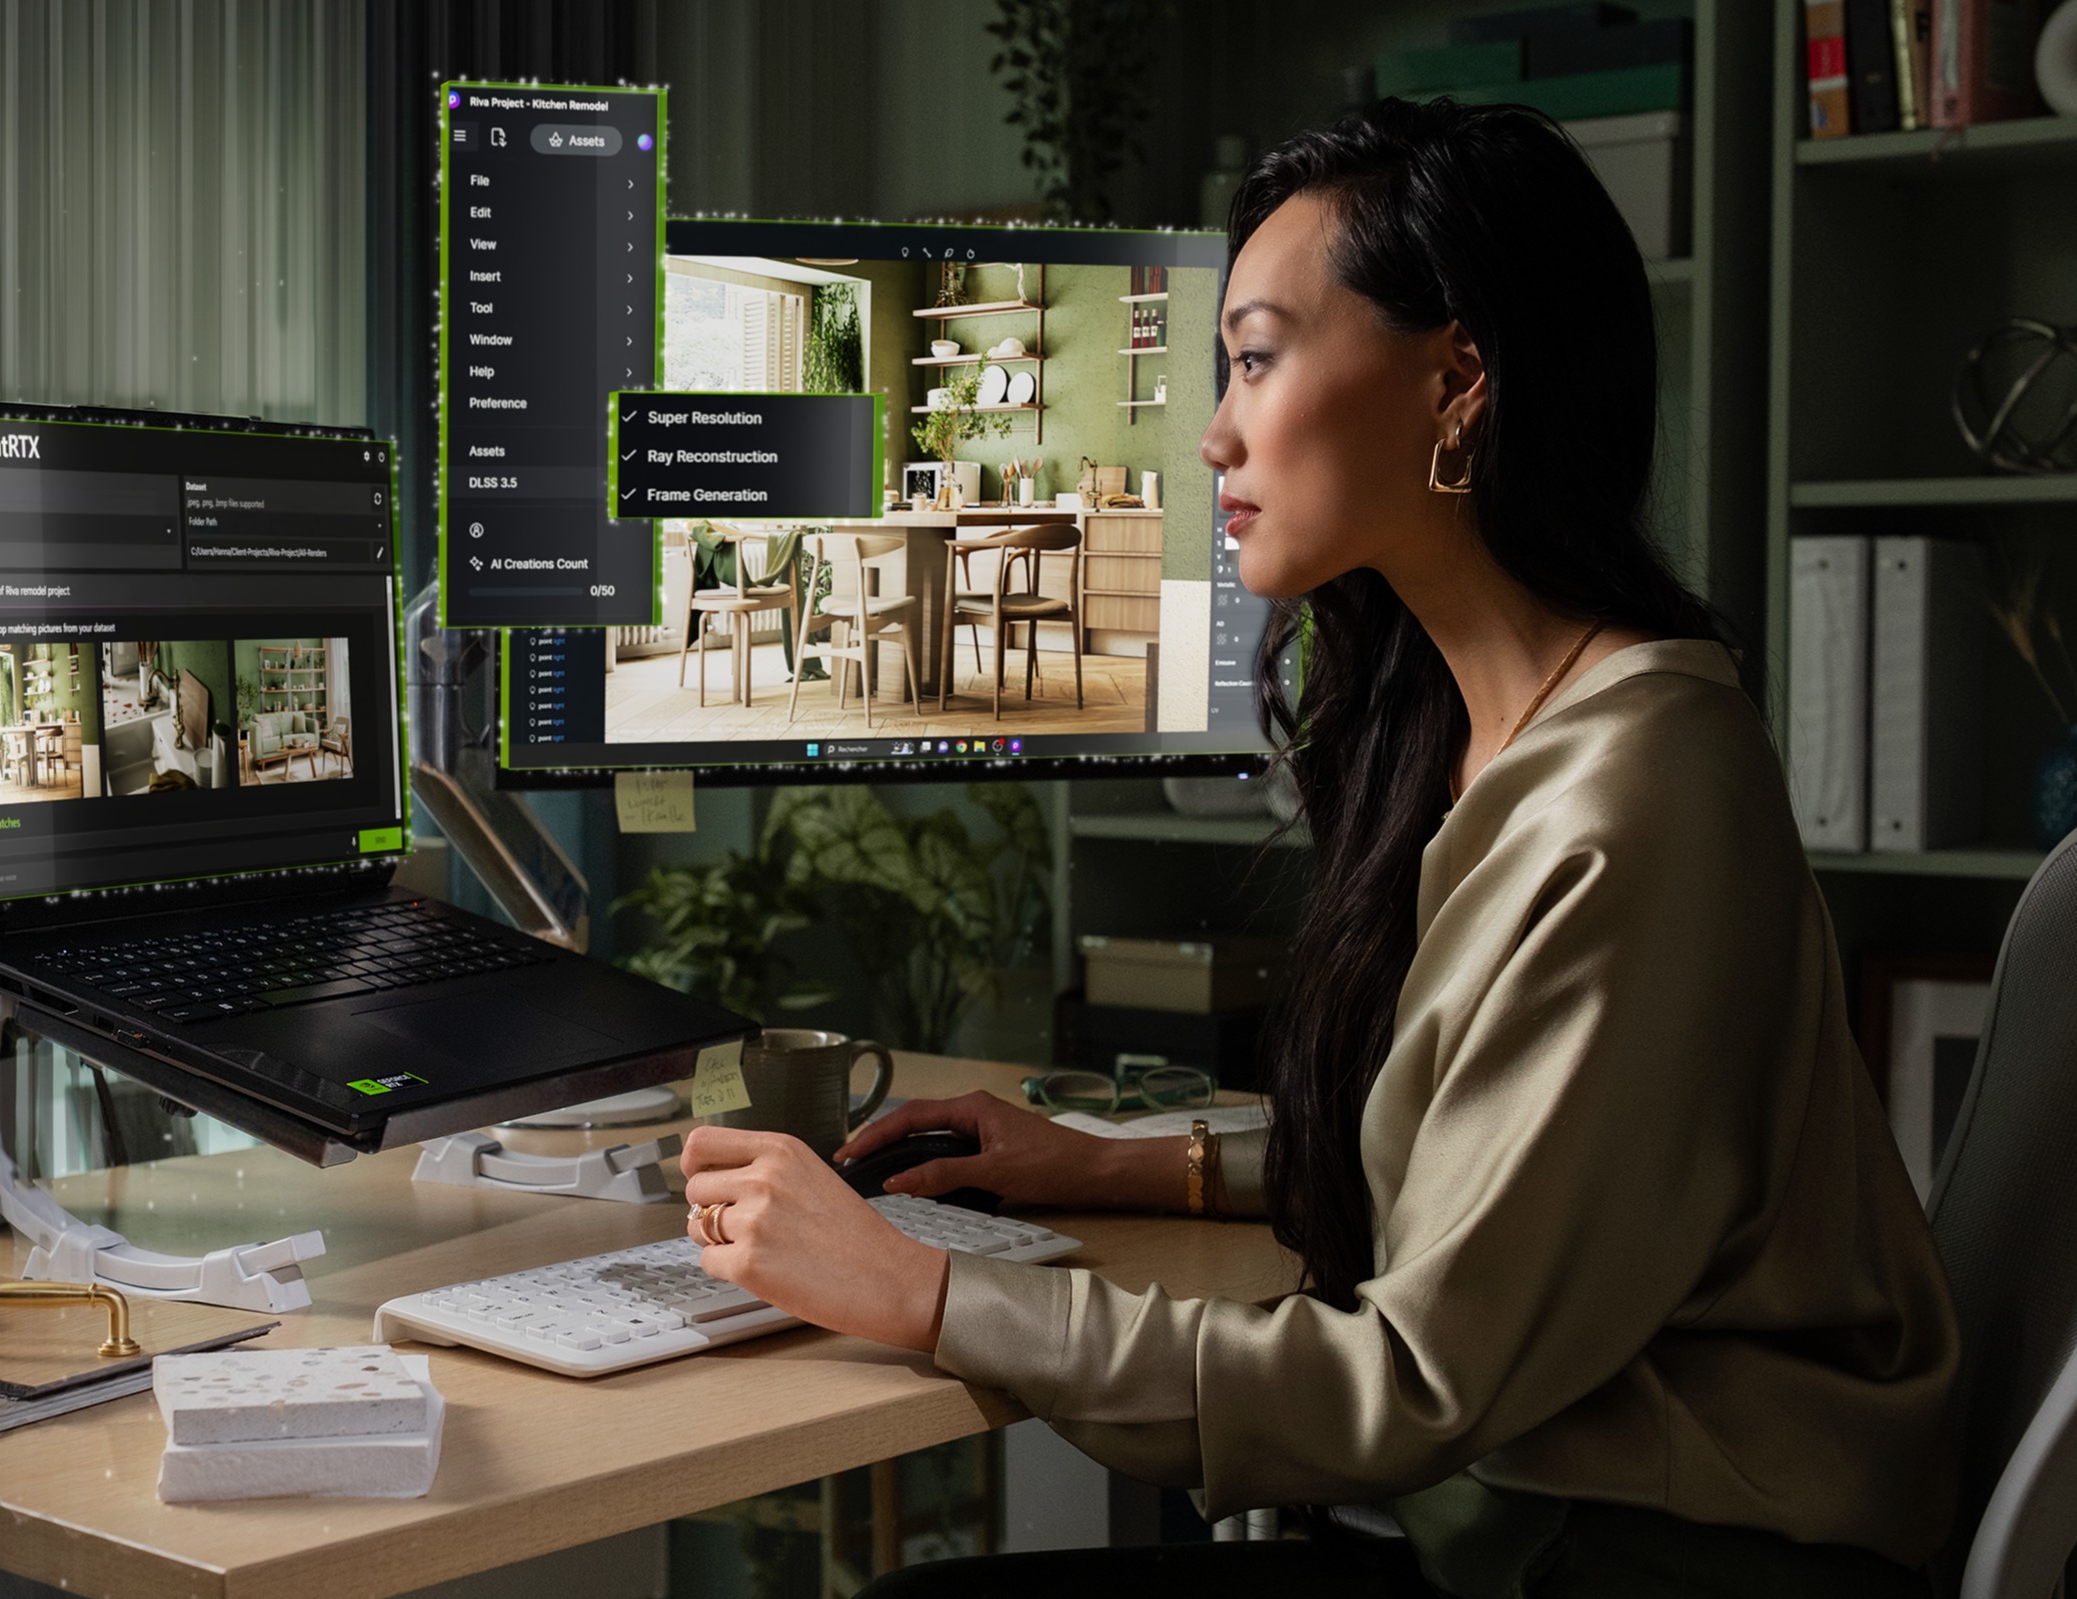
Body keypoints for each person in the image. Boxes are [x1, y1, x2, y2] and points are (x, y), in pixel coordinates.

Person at [675, 98, 1958, 1599]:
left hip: (1657, 1560)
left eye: (1261, 358)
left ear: (1458, 380)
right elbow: (1495, 1179)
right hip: (1548, 1519)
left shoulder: (1637, 805)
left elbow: (1411, 1384)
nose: (1213, 432)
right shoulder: (1494, 727)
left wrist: (923, 1290)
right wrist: (1127, 1168)